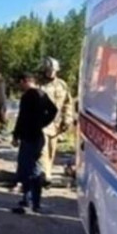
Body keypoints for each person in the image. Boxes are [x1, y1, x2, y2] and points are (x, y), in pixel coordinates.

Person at [12, 74, 58, 214]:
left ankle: (30, 202)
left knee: (30, 170)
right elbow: (53, 110)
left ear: (26, 81)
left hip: (29, 137)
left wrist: (16, 135)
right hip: (36, 136)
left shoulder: (28, 96)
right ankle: (31, 201)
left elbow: (22, 118)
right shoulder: (41, 94)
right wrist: (41, 123)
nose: (20, 86)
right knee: (32, 169)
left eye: (21, 83)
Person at [38, 57, 74, 185]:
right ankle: (45, 175)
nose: (51, 72)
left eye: (53, 70)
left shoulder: (62, 85)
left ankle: (47, 171)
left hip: (56, 124)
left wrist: (67, 119)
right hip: (41, 124)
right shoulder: (39, 85)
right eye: (49, 70)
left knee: (51, 150)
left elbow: (68, 103)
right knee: (42, 149)